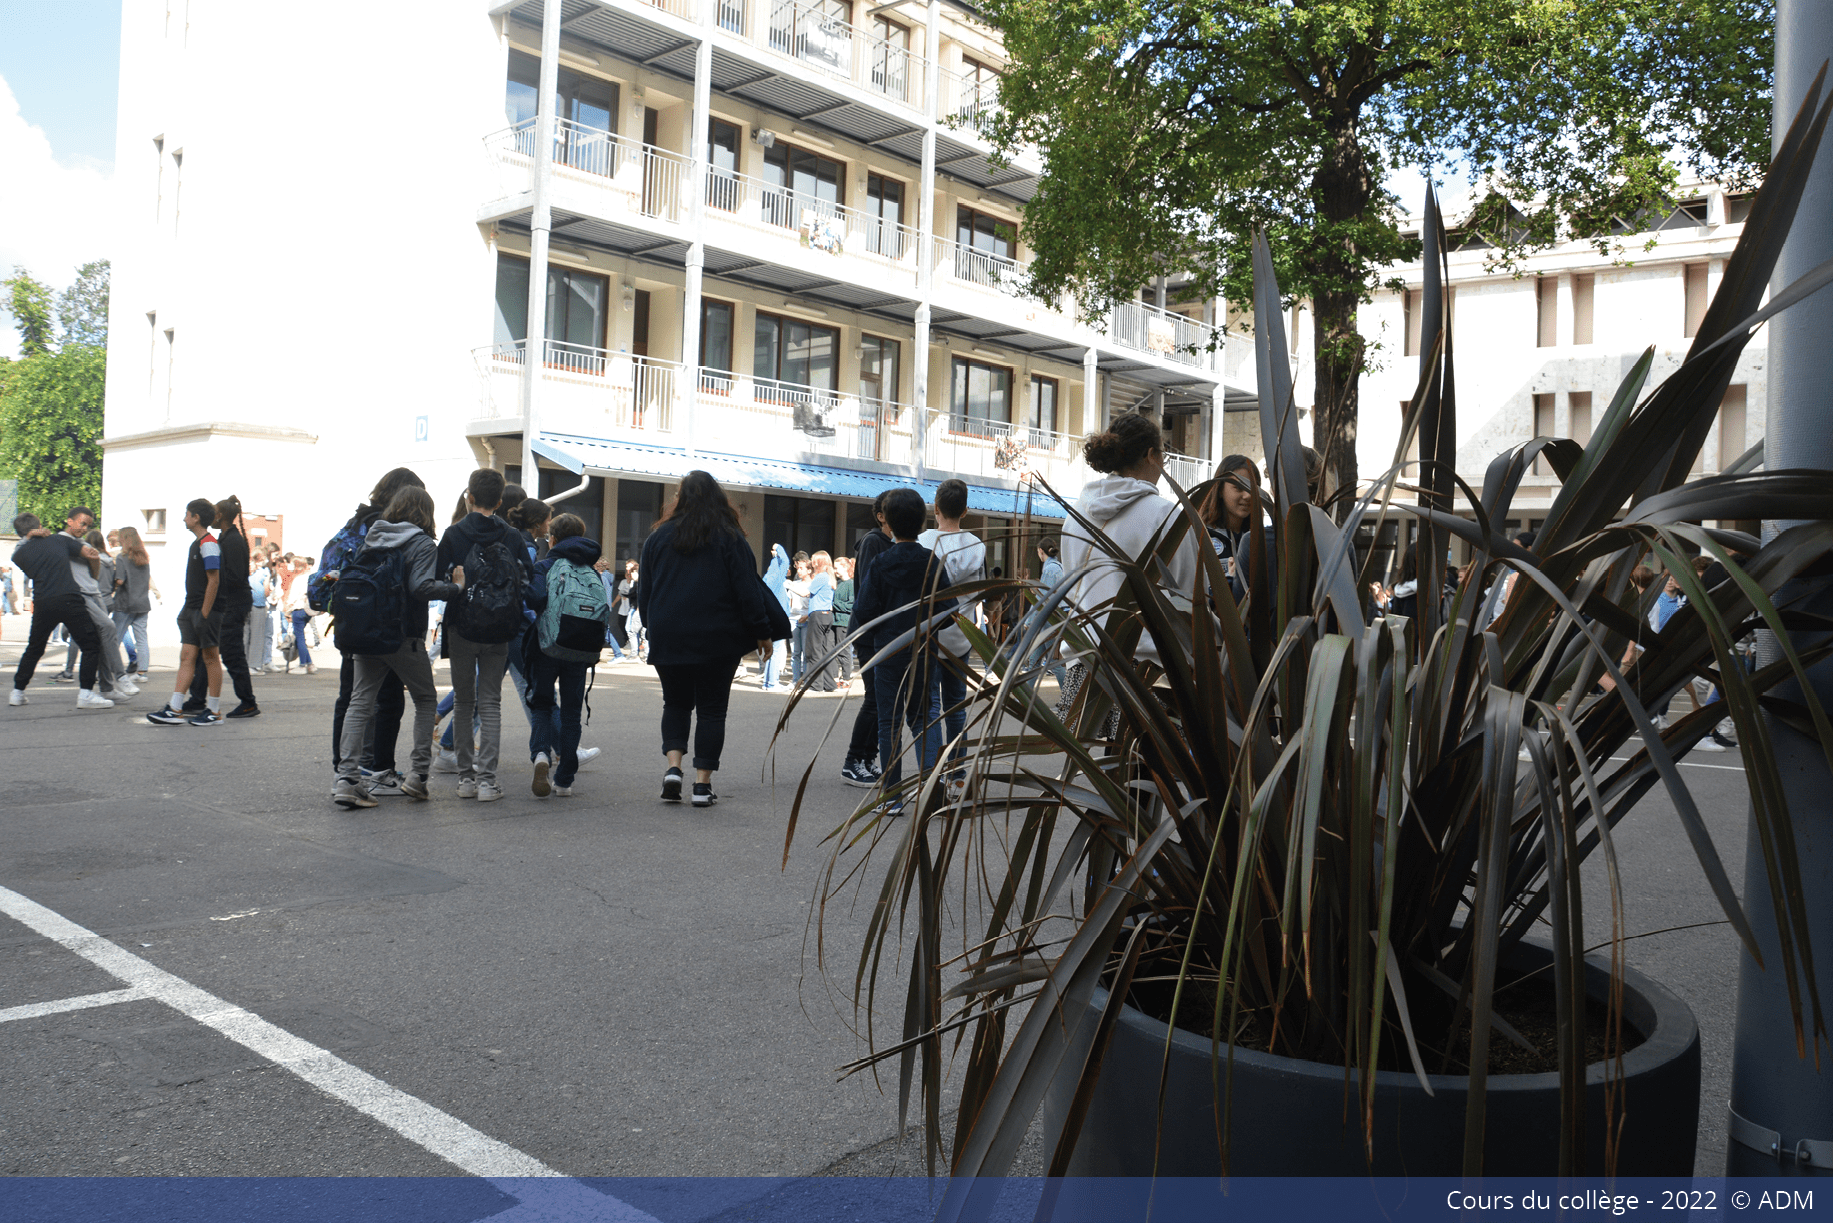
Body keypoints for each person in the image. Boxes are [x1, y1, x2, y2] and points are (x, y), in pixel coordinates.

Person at [638, 470, 787, 808]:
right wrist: (763, 632)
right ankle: (702, 786)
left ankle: (673, 769)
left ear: (680, 497)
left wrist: (652, 627)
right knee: (711, 710)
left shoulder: (657, 538)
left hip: (669, 634)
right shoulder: (730, 537)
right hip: (718, 638)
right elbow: (748, 591)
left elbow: (645, 593)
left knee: (675, 703)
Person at [1057, 413, 1201, 716]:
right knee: (1152, 762)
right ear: (1152, 455)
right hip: (1150, 674)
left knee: (1089, 762)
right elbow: (1188, 597)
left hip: (1084, 665)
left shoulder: (1074, 517)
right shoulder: (1167, 516)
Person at [332, 487, 457, 808]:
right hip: (403, 635)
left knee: (360, 702)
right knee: (426, 699)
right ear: (424, 513)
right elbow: (421, 587)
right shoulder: (421, 543)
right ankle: (418, 775)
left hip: (366, 632)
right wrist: (455, 587)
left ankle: (346, 779)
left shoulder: (373, 536)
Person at [849, 487, 952, 814]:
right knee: (924, 720)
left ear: (888, 523)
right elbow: (949, 610)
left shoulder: (880, 563)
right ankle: (932, 793)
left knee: (888, 723)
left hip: (888, 655)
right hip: (924, 653)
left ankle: (892, 798)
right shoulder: (931, 560)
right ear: (923, 523)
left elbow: (863, 612)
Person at [320, 468, 424, 784]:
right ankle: (379, 766)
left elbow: (325, 577)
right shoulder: (398, 531)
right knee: (390, 698)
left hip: (353, 622)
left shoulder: (352, 528)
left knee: (351, 696)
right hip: (391, 625)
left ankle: (345, 769)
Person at [436, 467, 534, 802]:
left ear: (470, 496)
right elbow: (527, 581)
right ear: (500, 501)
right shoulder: (511, 536)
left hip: (462, 627)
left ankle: (466, 779)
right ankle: (488, 782)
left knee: (464, 701)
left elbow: (439, 582)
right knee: (491, 702)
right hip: (500, 629)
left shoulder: (453, 535)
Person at [523, 512, 610, 797]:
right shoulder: (592, 572)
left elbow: (534, 599)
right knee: (572, 712)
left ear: (553, 537)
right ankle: (565, 780)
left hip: (547, 646)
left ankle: (541, 756)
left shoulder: (545, 566)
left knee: (542, 703)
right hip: (580, 649)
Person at [917, 479, 987, 775]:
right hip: (962, 633)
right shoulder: (977, 545)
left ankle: (932, 773)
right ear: (966, 510)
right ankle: (957, 773)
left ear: (935, 508)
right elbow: (980, 589)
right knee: (956, 707)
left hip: (928, 633)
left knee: (930, 707)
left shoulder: (922, 542)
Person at [7, 511, 111, 709]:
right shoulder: (58, 540)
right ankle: (86, 694)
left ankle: (18, 692)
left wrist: (28, 538)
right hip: (69, 598)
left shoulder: (19, 555)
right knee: (90, 644)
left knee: (35, 648)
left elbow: (21, 555)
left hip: (43, 601)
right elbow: (87, 553)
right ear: (39, 525)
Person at [147, 499, 229, 726]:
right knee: (187, 657)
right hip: (193, 608)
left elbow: (214, 581)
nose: (184, 518)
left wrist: (203, 614)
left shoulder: (209, 543)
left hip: (206, 611)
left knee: (211, 658)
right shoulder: (198, 543)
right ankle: (175, 708)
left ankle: (214, 711)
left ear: (196, 518)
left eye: (187, 514)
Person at [185, 496, 259, 718]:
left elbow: (235, 576)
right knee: (206, 651)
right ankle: (197, 699)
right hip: (227, 604)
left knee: (231, 653)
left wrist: (214, 579)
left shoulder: (232, 542)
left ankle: (248, 702)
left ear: (219, 516)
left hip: (232, 605)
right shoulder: (225, 539)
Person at [839, 492, 895, 785]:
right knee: (874, 699)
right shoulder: (874, 542)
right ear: (881, 516)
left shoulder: (889, 543)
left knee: (882, 700)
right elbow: (872, 590)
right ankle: (852, 761)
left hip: (881, 632)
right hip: (870, 631)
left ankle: (867, 759)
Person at [62, 527, 136, 701]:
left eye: (87, 524)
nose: (84, 527)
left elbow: (93, 577)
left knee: (100, 635)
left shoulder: (87, 552)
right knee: (106, 634)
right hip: (98, 598)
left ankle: (112, 681)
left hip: (91, 596)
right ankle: (111, 683)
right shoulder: (106, 558)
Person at [1199, 455, 1266, 605]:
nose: (1247, 495)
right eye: (1238, 487)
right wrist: (1231, 579)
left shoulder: (1260, 538)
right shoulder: (1200, 536)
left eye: (1252, 488)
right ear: (1220, 489)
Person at [1021, 537, 1070, 691]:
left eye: (1037, 552)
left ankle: (1067, 699)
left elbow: (1041, 599)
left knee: (1052, 662)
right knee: (1036, 661)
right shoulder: (1057, 567)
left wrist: (1029, 621)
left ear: (1041, 551)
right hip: (1053, 618)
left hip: (1050, 620)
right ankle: (1026, 697)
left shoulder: (1050, 569)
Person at [803, 551, 839, 691]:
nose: (811, 562)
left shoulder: (820, 577)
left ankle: (815, 684)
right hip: (827, 615)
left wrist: (789, 585)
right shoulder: (829, 576)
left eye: (813, 559)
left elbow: (806, 592)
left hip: (817, 615)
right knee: (825, 650)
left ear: (818, 562)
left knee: (814, 651)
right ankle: (829, 684)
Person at [761, 545, 791, 690]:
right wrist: (777, 547)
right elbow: (785, 560)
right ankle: (773, 683)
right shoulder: (778, 578)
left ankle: (767, 682)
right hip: (778, 617)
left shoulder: (766, 579)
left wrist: (774, 558)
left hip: (768, 617)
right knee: (777, 650)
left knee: (771, 650)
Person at [283, 557, 315, 673]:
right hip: (308, 610)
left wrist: (287, 611)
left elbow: (292, 598)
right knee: (300, 637)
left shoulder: (298, 579)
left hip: (298, 609)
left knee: (300, 638)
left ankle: (303, 665)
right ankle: (310, 663)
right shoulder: (311, 577)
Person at [246, 548, 274, 674]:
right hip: (258, 605)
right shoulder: (264, 572)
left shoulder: (247, 569)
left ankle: (245, 663)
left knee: (245, 636)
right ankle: (253, 665)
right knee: (257, 636)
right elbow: (266, 591)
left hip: (246, 604)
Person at [832, 557, 856, 688]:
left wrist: (834, 604)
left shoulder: (851, 584)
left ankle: (846, 678)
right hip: (836, 621)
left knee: (844, 650)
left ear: (846, 568)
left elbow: (851, 606)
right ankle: (838, 676)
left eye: (837, 568)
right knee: (836, 650)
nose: (835, 570)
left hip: (844, 622)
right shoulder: (839, 583)